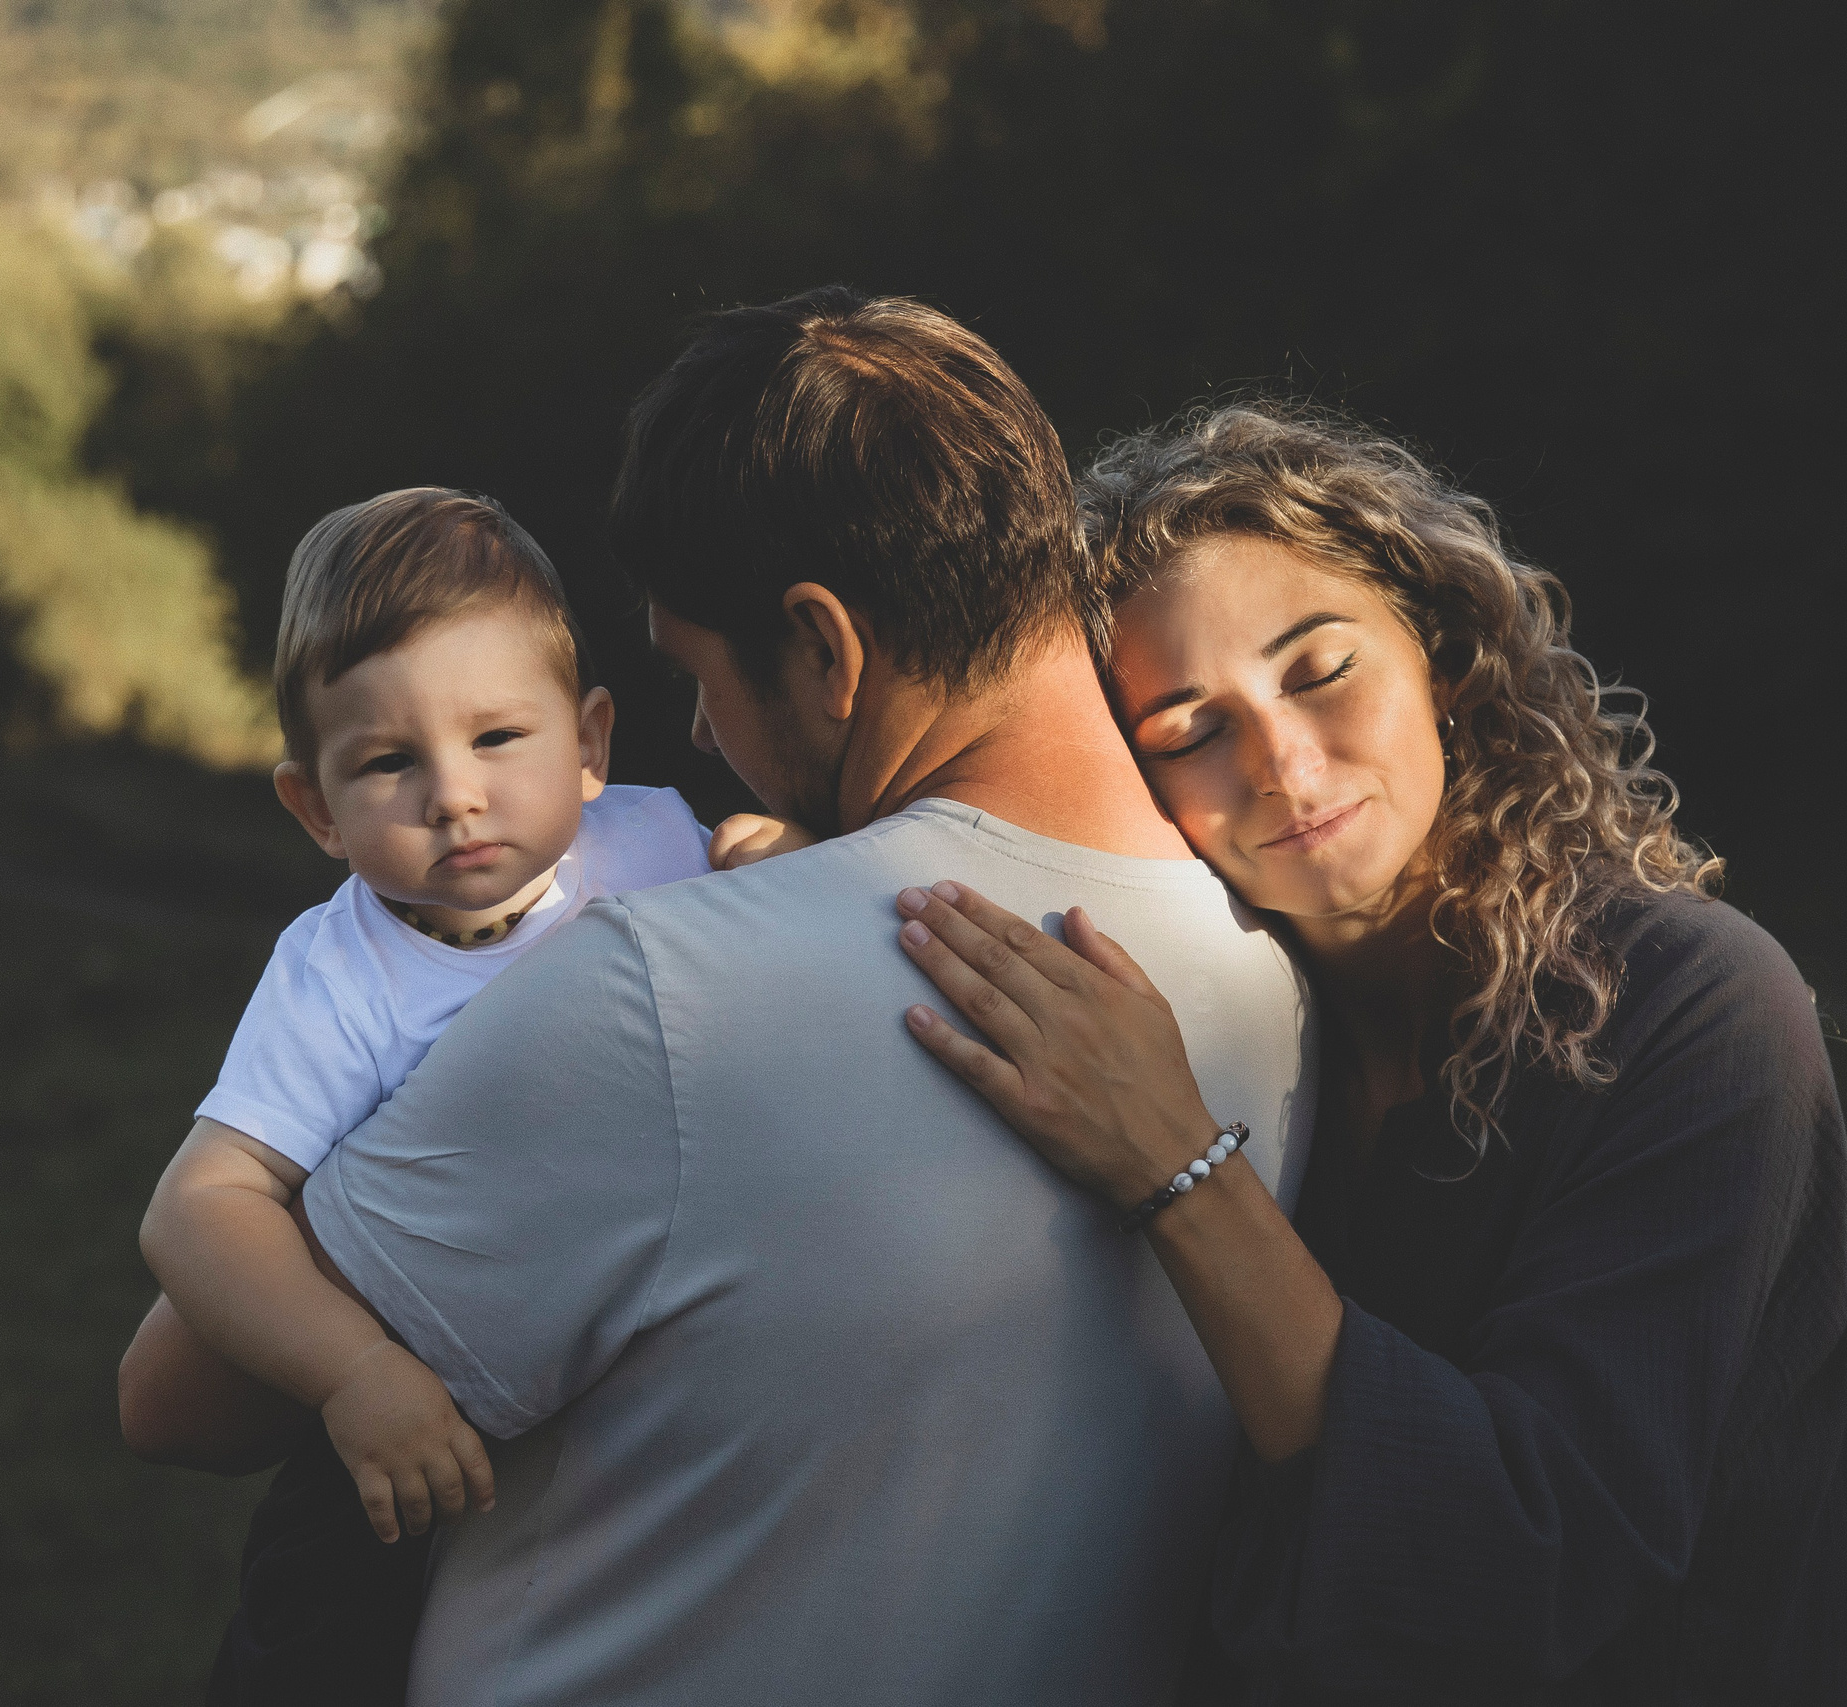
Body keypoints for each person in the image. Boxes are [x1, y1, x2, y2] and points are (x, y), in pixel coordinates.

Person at [118, 287, 1318, 1706]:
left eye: (699, 675)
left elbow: (175, 1397)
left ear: (824, 649)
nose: (698, 738)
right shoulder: (1278, 968)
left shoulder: (658, 992)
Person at [881, 402, 1847, 1703]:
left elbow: (1519, 1559)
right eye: (1189, 727)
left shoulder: (1697, 1003)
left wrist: (1181, 1164)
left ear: (1440, 652)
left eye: (1319, 668)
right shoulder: (1239, 1010)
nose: (1284, 762)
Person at [120, 487, 715, 1704]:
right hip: (407, 1442)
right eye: (389, 763)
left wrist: (781, 851)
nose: (454, 793)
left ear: (591, 743)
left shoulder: (661, 849)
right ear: (315, 809)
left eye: (499, 739)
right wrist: (351, 1374)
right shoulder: (340, 975)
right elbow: (198, 1209)